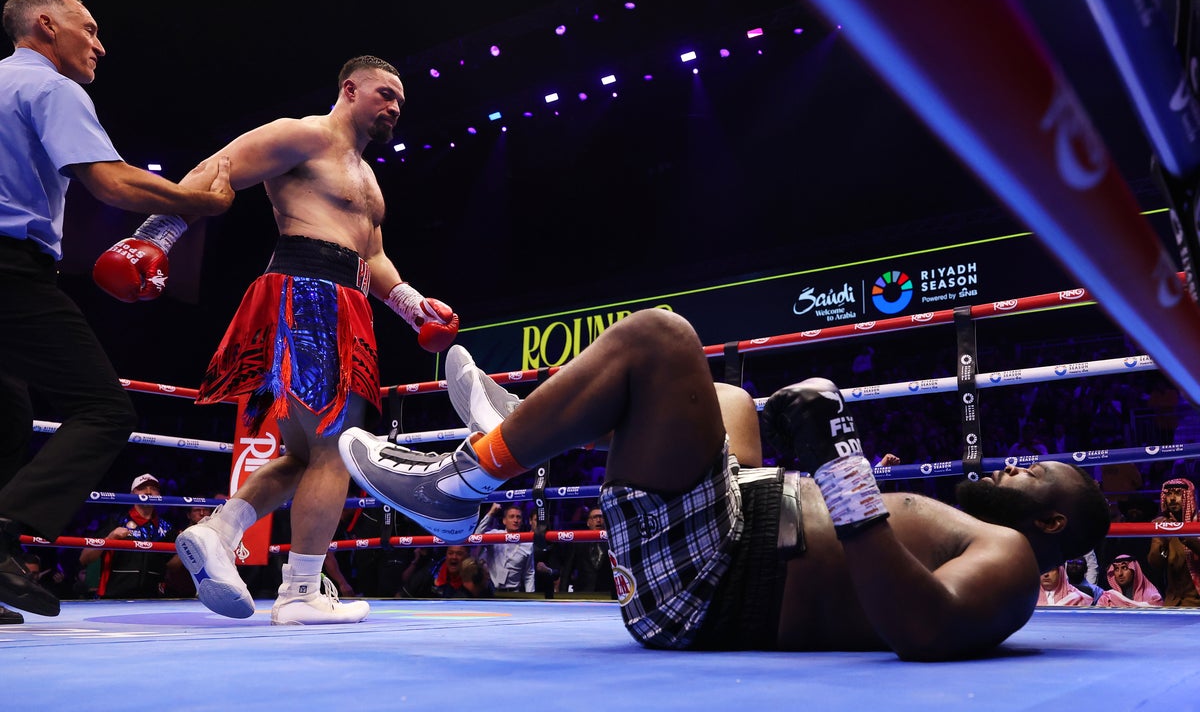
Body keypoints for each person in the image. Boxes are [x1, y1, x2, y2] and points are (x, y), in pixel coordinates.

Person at [339, 308, 1111, 658]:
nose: (1014, 465)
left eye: (1035, 475)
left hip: (718, 587)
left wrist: (841, 468)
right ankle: (525, 428)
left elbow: (921, 627)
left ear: (1050, 524)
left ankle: (463, 482)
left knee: (662, 337)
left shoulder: (1010, 562)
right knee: (730, 399)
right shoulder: (987, 533)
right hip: (734, 533)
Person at [168, 55, 458, 626]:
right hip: (310, 290)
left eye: (400, 100)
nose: (394, 107)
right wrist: (155, 237)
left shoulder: (367, 179)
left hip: (340, 298)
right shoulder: (304, 135)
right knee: (335, 449)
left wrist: (414, 307)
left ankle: (220, 530)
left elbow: (372, 258)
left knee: (304, 453)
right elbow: (216, 168)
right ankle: (299, 592)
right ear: (349, 90)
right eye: (384, 93)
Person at [0, 0, 233, 618]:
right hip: (10, 270)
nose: (100, 44)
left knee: (5, 420)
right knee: (103, 408)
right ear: (46, 25)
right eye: (91, 29)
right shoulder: (49, 87)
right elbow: (109, 180)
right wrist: (199, 206)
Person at [78, 474, 176, 598]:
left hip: (152, 599)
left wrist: (186, 547)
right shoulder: (116, 520)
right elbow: (84, 558)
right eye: (142, 488)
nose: (149, 492)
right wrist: (110, 539)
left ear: (160, 495)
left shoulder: (166, 528)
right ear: (132, 494)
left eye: (154, 489)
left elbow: (172, 566)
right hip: (115, 597)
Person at [1147, 478, 1200, 607]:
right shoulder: (1162, 524)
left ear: (1188, 496)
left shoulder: (1198, 521)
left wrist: (1184, 535)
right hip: (1173, 601)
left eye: (1177, 493)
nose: (1171, 498)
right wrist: (1162, 542)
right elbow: (1155, 564)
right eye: (1168, 494)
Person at [558, 507, 616, 597]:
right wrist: (562, 596)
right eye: (595, 517)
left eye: (601, 517)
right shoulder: (578, 542)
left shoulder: (613, 542)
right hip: (583, 593)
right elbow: (567, 571)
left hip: (608, 593)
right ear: (588, 522)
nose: (598, 520)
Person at [1096, 553, 1162, 608]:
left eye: (1124, 568)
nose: (1120, 574)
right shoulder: (1108, 598)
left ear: (1134, 570)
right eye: (1116, 569)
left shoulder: (1153, 597)